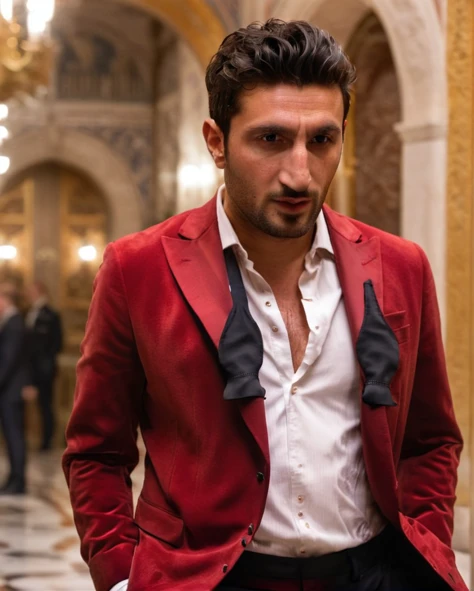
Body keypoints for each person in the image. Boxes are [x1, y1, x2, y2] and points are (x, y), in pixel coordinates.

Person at [63, 19, 465, 591]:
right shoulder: (138, 268)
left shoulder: (401, 265)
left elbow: (431, 439)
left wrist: (428, 537)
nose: (299, 172)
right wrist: (122, 576)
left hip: (371, 573)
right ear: (216, 142)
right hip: (211, 577)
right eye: (271, 139)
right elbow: (95, 453)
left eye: (321, 140)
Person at [25, 281, 63, 450]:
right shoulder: (27, 312)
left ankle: (47, 441)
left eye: (31, 291)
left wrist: (45, 366)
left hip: (43, 370)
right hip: (27, 369)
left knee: (46, 405)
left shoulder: (51, 315)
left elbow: (56, 343)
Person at [0, 283, 29, 495]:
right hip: (9, 390)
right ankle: (13, 479)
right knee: (11, 437)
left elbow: (8, 361)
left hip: (11, 391)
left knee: (14, 436)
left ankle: (18, 481)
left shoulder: (14, 323)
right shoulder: (10, 322)